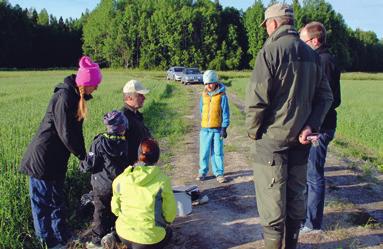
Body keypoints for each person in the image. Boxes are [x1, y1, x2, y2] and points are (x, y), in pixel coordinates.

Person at [245, 3, 333, 249]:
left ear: (272, 23)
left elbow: (256, 100)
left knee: (272, 210)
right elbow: (326, 97)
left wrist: (253, 132)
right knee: (295, 203)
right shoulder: (312, 55)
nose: (266, 30)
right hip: (301, 142)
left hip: (271, 143)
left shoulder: (270, 51)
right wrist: (310, 126)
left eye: (266, 26)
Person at [19, 56, 102, 249]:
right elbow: (66, 133)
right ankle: (47, 241)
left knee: (56, 201)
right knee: (42, 205)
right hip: (43, 160)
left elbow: (76, 132)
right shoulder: (64, 97)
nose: (97, 88)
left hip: (56, 160)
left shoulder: (75, 97)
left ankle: (62, 236)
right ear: (85, 83)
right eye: (95, 84)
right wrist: (83, 156)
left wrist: (85, 154)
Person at [299, 21, 341, 233]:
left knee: (314, 175)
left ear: (314, 41)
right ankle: (305, 218)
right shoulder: (323, 59)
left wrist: (311, 123)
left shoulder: (323, 61)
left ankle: (313, 223)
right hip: (318, 126)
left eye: (303, 41)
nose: (301, 45)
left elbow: (328, 99)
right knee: (308, 173)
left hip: (320, 128)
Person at [111, 138, 177, 249]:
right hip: (149, 240)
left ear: (138, 155)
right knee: (169, 232)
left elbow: (115, 210)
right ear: (157, 157)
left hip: (124, 234)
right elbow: (170, 214)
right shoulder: (162, 181)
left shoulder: (120, 179)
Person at [79, 110, 129, 248]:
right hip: (118, 184)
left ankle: (97, 240)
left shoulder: (99, 142)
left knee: (100, 211)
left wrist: (82, 166)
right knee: (116, 209)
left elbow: (90, 161)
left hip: (101, 185)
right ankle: (116, 234)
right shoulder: (123, 142)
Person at [196, 70, 230, 183]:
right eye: (206, 83)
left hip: (217, 130)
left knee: (217, 152)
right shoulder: (204, 95)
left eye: (210, 83)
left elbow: (225, 113)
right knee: (204, 152)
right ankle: (202, 172)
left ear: (215, 82)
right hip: (205, 130)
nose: (208, 86)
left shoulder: (222, 96)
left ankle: (219, 173)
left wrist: (224, 128)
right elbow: (202, 110)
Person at [121, 79, 152, 166]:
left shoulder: (136, 114)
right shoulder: (122, 118)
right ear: (129, 97)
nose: (144, 98)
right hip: (132, 170)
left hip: (141, 165)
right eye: (140, 95)